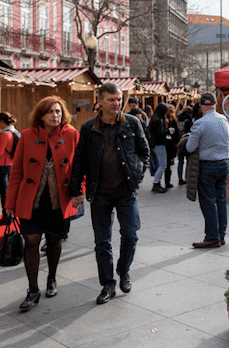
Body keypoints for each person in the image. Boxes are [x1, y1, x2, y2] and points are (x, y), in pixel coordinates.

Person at [69, 83, 150, 304]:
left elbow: (145, 152)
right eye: (111, 99)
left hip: (126, 191)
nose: (116, 103)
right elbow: (79, 161)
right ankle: (107, 284)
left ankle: (123, 270)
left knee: (131, 234)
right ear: (100, 101)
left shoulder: (132, 123)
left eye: (119, 99)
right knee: (102, 241)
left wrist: (138, 174)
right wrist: (75, 189)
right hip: (100, 193)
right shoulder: (88, 128)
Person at [4, 96, 80, 310]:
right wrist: (10, 202)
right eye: (50, 112)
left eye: (57, 111)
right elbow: (16, 171)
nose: (55, 116)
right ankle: (32, 289)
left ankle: (52, 278)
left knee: (54, 241)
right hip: (31, 202)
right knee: (31, 242)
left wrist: (79, 192)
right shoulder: (27, 136)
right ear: (41, 115)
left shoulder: (72, 134)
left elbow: (79, 169)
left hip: (59, 201)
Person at [186, 93, 229, 248]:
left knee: (208, 201)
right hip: (224, 164)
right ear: (215, 105)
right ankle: (221, 235)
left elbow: (190, 147)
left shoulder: (200, 123)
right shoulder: (224, 119)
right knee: (221, 200)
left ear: (201, 106)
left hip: (208, 166)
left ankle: (212, 236)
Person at [0, 112, 21, 226]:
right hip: (9, 165)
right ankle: (11, 215)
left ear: (1, 121)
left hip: (1, 166)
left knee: (4, 193)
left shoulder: (4, 135)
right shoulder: (14, 132)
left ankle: (6, 217)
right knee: (7, 192)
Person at [149, 103, 170, 193]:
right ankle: (156, 183)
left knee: (159, 165)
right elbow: (159, 134)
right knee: (162, 165)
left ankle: (157, 182)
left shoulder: (153, 119)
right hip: (159, 144)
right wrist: (168, 131)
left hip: (154, 145)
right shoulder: (158, 121)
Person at [163, 104, 180, 188]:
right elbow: (176, 133)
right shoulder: (172, 120)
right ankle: (167, 181)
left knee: (166, 164)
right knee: (168, 164)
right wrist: (177, 142)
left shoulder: (163, 120)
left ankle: (165, 181)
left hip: (164, 143)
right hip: (171, 144)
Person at [176, 106, 194, 185]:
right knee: (188, 161)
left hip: (179, 142)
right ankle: (186, 178)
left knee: (180, 161)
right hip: (187, 141)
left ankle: (180, 178)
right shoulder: (190, 120)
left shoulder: (177, 119)